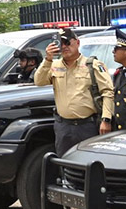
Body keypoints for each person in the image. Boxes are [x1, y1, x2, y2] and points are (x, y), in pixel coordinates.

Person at [34, 27, 115, 156]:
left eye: (67, 43)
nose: (64, 47)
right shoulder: (54, 65)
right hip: (64, 126)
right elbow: (39, 81)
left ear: (77, 43)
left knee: (91, 162)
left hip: (88, 125)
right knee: (65, 161)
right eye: (61, 43)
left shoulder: (92, 65)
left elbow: (108, 93)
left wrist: (106, 120)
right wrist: (48, 59)